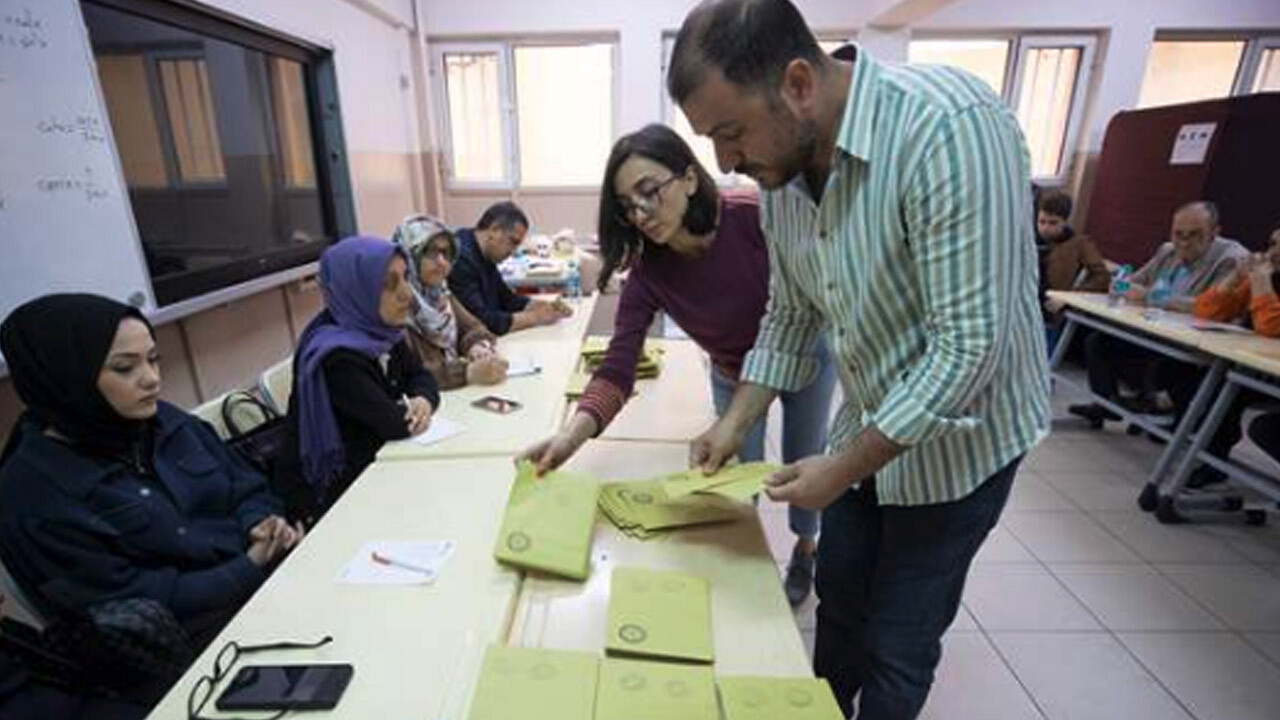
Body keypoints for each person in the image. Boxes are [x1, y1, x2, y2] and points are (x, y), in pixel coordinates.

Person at [668, 2, 1049, 717]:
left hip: (963, 447)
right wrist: (737, 420)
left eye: (730, 133)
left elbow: (969, 350)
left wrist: (840, 469)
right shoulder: (784, 171)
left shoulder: (948, 128)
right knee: (840, 608)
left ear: (799, 83)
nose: (727, 164)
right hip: (870, 420)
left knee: (898, 642)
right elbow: (790, 314)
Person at [519, 124, 836, 605]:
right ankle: (745, 561)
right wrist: (570, 437)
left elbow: (813, 297)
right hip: (733, 372)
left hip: (806, 357)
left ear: (689, 178)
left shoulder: (754, 218)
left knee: (801, 459)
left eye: (650, 191)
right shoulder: (647, 274)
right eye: (627, 205)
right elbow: (617, 368)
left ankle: (806, 549)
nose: (641, 213)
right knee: (730, 476)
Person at [0, 294, 298, 650]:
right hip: (197, 642)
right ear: (66, 377)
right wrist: (247, 567)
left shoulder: (162, 420)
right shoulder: (34, 492)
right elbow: (132, 602)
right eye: (125, 368)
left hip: (269, 578)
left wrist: (261, 522)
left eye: (154, 360)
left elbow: (246, 484)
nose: (152, 379)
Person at [274, 237, 440, 523]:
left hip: (379, 465)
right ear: (357, 289)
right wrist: (413, 407)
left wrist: (423, 399)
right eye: (389, 284)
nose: (407, 294)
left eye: (405, 278)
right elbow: (394, 423)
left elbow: (421, 375)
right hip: (333, 499)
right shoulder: (335, 355)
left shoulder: (380, 329)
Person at [1068, 201, 1248, 427]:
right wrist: (1120, 285)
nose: (1183, 242)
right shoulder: (1167, 251)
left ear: (1214, 233)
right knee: (1098, 342)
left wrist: (1153, 297)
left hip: (1195, 345)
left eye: (1194, 235)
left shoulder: (1232, 260)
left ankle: (1163, 411)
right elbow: (1131, 282)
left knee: (1162, 366)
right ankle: (1106, 405)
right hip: (1157, 332)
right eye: (1178, 234)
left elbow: (1209, 308)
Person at [391, 214, 510, 390]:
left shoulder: (440, 293)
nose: (442, 262)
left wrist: (476, 346)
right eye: (430, 252)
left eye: (446, 253)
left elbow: (473, 327)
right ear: (409, 256)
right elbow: (412, 373)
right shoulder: (397, 304)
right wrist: (468, 372)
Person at [448, 201, 572, 335]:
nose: (513, 251)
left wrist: (538, 305)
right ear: (494, 229)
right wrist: (535, 317)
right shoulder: (461, 259)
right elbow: (480, 321)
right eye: (513, 242)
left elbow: (506, 299)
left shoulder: (485, 252)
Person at [1036, 190, 1110, 352]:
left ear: (1065, 222)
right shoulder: (1029, 240)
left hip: (1052, 309)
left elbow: (1102, 277)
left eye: (1053, 223)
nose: (1045, 228)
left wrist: (1069, 298)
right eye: (1041, 222)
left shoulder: (1079, 244)